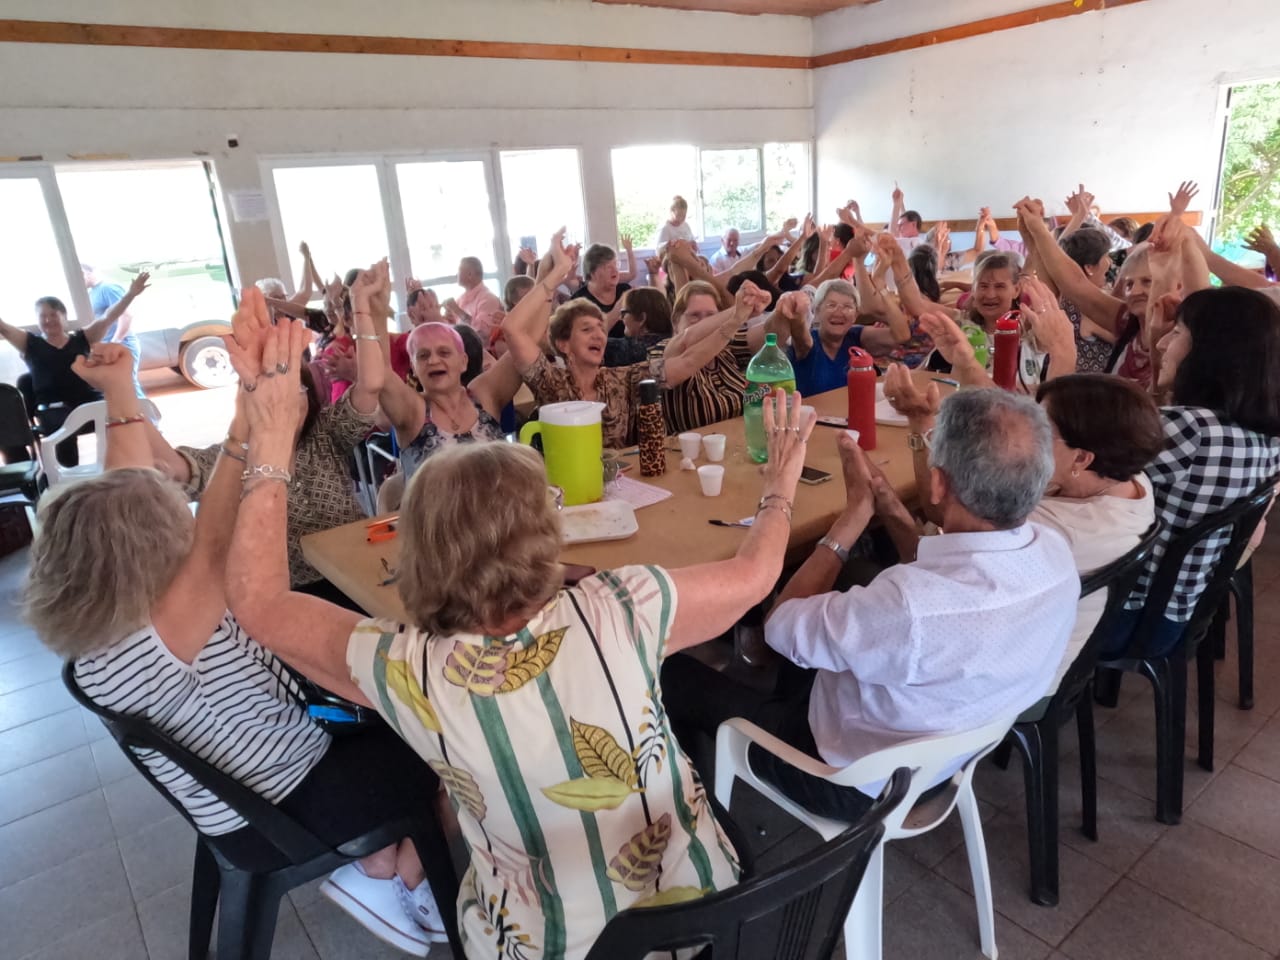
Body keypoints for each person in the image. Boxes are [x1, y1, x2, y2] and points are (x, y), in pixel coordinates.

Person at [223, 304, 815, 958]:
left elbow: (259, 601)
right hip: (703, 918)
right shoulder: (623, 604)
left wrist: (267, 438)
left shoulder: (409, 668)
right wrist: (780, 485)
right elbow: (757, 573)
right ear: (547, 534)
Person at [23, 316, 448, 956]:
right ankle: (402, 875)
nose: (182, 520)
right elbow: (216, 537)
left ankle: (380, 860)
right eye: (171, 521)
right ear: (141, 558)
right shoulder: (158, 632)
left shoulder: (105, 627)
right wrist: (257, 428)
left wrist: (118, 391)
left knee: (388, 711)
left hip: (250, 787)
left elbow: (127, 493)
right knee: (449, 741)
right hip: (284, 799)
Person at [664, 388, 1078, 819]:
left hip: (851, 779)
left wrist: (854, 516)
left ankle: (691, 822)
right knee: (850, 581)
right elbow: (943, 579)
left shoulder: (910, 607)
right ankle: (778, 689)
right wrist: (890, 507)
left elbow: (780, 625)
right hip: (951, 748)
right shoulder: (1055, 553)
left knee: (669, 671)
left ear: (938, 483)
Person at [885, 361, 1161, 686]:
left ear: (1082, 458)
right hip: (1048, 646)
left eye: (1042, 430)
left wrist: (888, 503)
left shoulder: (1047, 530)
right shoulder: (1132, 481)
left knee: (863, 574)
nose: (1028, 435)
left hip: (1011, 681)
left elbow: (939, 519)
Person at [144, 269, 388, 595]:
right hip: (292, 594)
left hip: (362, 572)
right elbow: (171, 470)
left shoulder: (326, 434)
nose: (284, 401)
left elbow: (371, 384)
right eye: (271, 391)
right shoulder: (233, 458)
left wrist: (360, 306)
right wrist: (124, 400)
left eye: (295, 390)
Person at [1105, 285, 1280, 656]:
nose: (1163, 343)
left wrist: (1062, 358)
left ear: (1211, 352)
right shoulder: (1265, 436)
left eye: (1177, 332)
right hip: (1176, 614)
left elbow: (1078, 472)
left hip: (1128, 617)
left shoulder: (1190, 429)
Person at [504, 231, 724, 449]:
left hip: (622, 472)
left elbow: (687, 361)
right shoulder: (550, 381)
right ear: (563, 344)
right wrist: (555, 273)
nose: (598, 335)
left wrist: (734, 319)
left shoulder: (621, 379)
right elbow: (512, 329)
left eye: (601, 328)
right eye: (586, 329)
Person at [355, 261, 522, 481]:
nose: (433, 360)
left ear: (463, 361)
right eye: (423, 356)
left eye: (444, 352)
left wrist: (551, 278)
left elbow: (524, 345)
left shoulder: (484, 395)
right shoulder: (413, 411)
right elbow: (381, 372)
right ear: (414, 368)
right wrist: (374, 310)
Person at [0, 287, 145, 466]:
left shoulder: (82, 338)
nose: (48, 320)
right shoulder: (30, 343)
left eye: (53, 315)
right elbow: (4, 328)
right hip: (53, 407)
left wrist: (131, 294)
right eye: (43, 316)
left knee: (119, 417)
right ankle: (69, 475)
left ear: (64, 316)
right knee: (63, 430)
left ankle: (122, 466)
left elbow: (109, 317)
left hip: (88, 400)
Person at [771, 278, 909, 395]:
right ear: (817, 311)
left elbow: (901, 335)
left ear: (855, 315)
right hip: (812, 416)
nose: (839, 312)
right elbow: (801, 336)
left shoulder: (856, 335)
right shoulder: (809, 341)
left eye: (847, 307)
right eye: (831, 305)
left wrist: (882, 291)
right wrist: (797, 313)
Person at [571, 244, 632, 338]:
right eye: (607, 267)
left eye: (616, 264)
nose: (615, 270)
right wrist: (617, 309)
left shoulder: (625, 289)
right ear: (592, 273)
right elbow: (589, 337)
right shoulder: (579, 301)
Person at [603, 286, 672, 367]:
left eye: (624, 313)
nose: (620, 318)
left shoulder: (628, 350)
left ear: (642, 318)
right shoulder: (673, 344)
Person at [443, 257, 504, 344]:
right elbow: (456, 326)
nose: (456, 275)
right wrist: (449, 318)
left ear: (470, 274)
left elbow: (483, 333)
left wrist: (457, 310)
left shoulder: (488, 299)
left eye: (459, 271)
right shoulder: (460, 298)